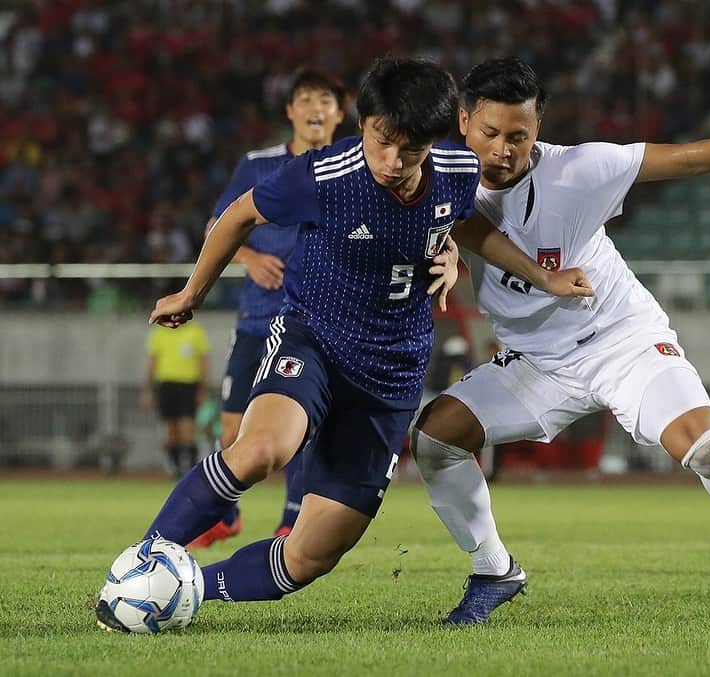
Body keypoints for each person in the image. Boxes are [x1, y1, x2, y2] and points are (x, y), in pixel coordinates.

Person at [96, 57, 592, 631]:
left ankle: (178, 590)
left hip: (390, 379)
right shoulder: (322, 176)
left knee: (310, 556)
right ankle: (136, 570)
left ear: (433, 141)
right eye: (381, 141)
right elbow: (237, 217)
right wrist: (191, 293)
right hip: (314, 340)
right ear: (364, 124)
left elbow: (466, 222)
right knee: (261, 449)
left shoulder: (459, 169)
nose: (390, 161)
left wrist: (532, 272)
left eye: (408, 150)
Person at [411, 57, 710, 626]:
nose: (503, 150)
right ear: (464, 120)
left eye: (518, 137)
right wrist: (446, 254)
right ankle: (494, 569)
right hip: (535, 363)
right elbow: (443, 228)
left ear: (538, 130)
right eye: (491, 134)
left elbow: (690, 158)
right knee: (435, 440)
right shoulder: (440, 180)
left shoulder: (581, 170)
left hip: (623, 341)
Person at [188, 68, 349, 550]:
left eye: (326, 99)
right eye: (305, 99)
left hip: (314, 321)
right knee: (235, 427)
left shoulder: (353, 166)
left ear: (340, 113)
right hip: (257, 317)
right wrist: (250, 257)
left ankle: (291, 520)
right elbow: (219, 227)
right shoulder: (257, 166)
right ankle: (226, 514)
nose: (315, 108)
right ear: (290, 111)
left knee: (298, 421)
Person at [141, 319, 210, 477]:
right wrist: (148, 390)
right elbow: (152, 363)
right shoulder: (160, 333)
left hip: (188, 385)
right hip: (166, 385)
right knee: (171, 432)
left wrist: (202, 389)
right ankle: (176, 468)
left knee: (187, 428)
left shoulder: (196, 332)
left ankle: (192, 469)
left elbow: (203, 362)